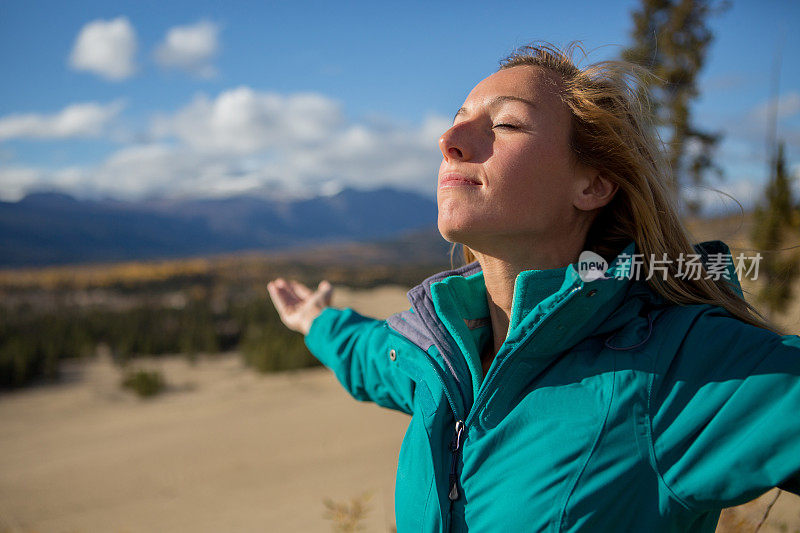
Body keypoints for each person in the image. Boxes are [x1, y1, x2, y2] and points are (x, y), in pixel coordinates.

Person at [267, 42, 800, 532]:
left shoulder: (676, 366)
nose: (448, 141)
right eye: (458, 122)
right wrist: (316, 321)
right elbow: (371, 357)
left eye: (507, 124)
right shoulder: (438, 356)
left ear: (592, 184)